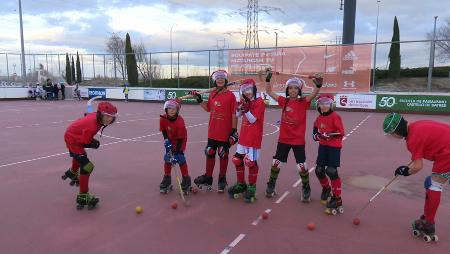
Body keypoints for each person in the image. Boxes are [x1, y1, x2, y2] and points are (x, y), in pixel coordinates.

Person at [383, 113, 450, 241]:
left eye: (391, 134)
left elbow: (418, 166)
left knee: (434, 185)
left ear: (396, 132)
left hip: (447, 154)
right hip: (446, 149)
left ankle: (428, 224)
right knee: (428, 182)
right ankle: (427, 217)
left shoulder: (412, 139)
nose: (393, 137)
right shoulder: (416, 126)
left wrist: (406, 171)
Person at [263, 69, 322, 202]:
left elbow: (314, 93)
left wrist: (318, 85)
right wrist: (268, 79)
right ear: (287, 90)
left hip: (298, 141)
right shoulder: (284, 101)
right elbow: (269, 91)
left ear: (299, 90)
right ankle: (271, 185)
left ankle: (306, 187)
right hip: (283, 139)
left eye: (296, 88)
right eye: (290, 88)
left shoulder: (304, 102)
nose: (293, 90)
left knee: (301, 165)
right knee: (276, 163)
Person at [62, 102, 118, 210]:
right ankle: (83, 196)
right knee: (88, 166)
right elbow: (84, 142)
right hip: (73, 140)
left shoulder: (96, 117)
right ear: (100, 114)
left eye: (111, 117)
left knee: (81, 155)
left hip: (72, 135)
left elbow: (87, 115)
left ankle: (72, 172)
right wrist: (93, 143)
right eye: (107, 116)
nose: (109, 119)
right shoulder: (92, 126)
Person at [190, 70, 238, 192]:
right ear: (215, 81)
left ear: (226, 80)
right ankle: (208, 177)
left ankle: (222, 178)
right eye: (218, 79)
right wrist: (199, 99)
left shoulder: (231, 96)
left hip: (225, 132)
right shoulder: (212, 94)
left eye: (222, 78)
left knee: (223, 154)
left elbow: (234, 114)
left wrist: (234, 130)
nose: (220, 80)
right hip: (212, 131)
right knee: (210, 152)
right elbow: (208, 109)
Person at [228, 79, 265, 203]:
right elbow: (237, 115)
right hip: (243, 137)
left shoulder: (259, 102)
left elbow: (253, 119)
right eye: (244, 91)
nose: (247, 93)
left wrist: (246, 109)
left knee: (250, 162)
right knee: (237, 159)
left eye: (249, 90)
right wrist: (240, 108)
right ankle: (241, 184)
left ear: (254, 89)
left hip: (253, 138)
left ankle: (252, 187)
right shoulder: (245, 101)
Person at [312, 94, 345, 214]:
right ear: (318, 105)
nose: (323, 106)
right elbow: (315, 130)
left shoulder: (335, 117)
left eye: (326, 103)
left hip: (334, 147)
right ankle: (326, 188)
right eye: (321, 103)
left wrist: (328, 134)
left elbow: (341, 132)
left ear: (331, 105)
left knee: (331, 171)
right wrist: (316, 135)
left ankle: (337, 198)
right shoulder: (319, 117)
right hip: (323, 146)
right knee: (319, 170)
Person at [159, 99, 192, 194]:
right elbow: (164, 130)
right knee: (167, 158)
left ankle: (186, 180)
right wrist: (166, 140)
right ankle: (167, 178)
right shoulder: (163, 118)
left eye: (173, 108)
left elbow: (180, 139)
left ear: (177, 110)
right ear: (166, 109)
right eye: (169, 108)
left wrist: (176, 152)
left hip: (180, 141)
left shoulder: (180, 122)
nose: (171, 110)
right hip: (169, 140)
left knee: (180, 158)